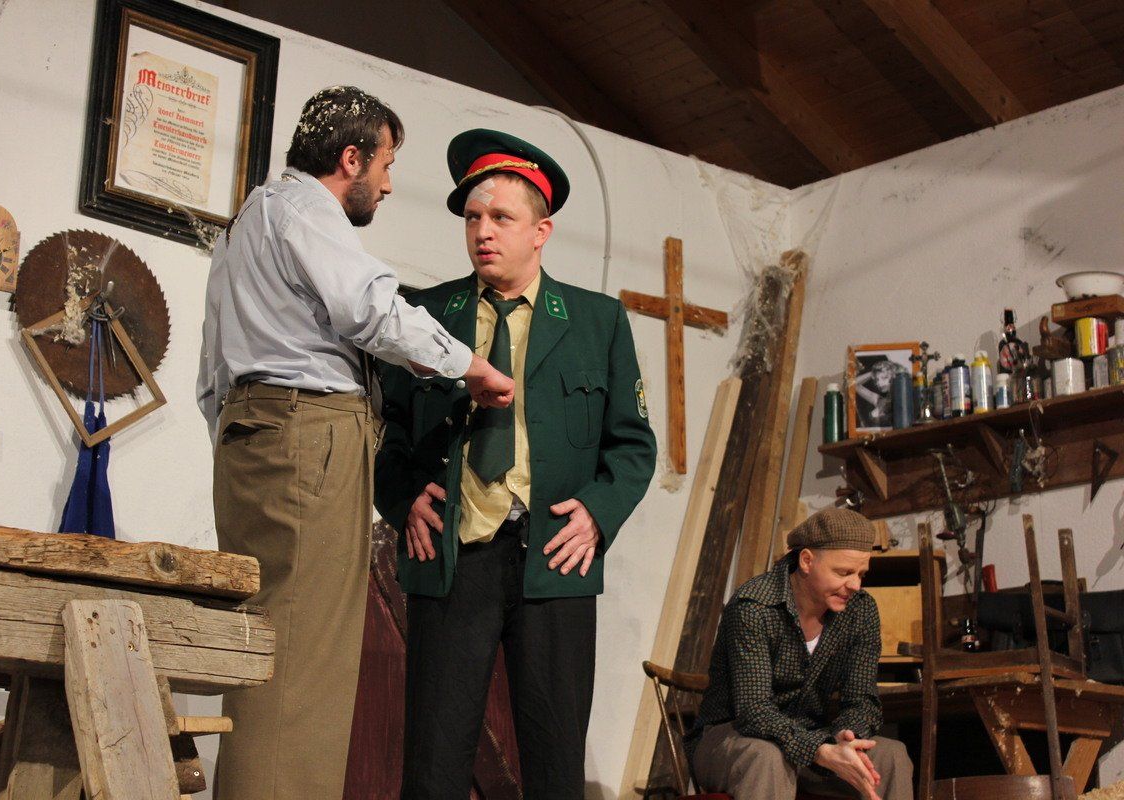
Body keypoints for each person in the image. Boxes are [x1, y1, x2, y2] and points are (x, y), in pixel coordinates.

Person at [196, 88, 513, 800]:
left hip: (251, 435)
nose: (390, 184)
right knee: (303, 655)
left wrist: (234, 432)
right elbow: (369, 308)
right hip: (309, 435)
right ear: (350, 159)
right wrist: (467, 364)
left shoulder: (248, 219)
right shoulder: (306, 209)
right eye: (386, 164)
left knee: (263, 641)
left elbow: (212, 363)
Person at [374, 128, 657, 799]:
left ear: (541, 231)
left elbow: (633, 443)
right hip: (454, 558)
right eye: (473, 217)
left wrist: (598, 513)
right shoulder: (424, 314)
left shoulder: (597, 321)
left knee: (556, 764)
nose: (483, 232)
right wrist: (403, 499)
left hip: (554, 559)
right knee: (434, 763)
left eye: (501, 218)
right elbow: (384, 432)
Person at [686, 508, 912, 800]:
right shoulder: (754, 606)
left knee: (892, 756)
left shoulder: (861, 610)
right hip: (732, 738)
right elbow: (754, 712)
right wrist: (819, 749)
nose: (855, 585)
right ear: (806, 560)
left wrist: (846, 738)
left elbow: (862, 700)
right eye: (843, 572)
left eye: (861, 574)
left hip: (812, 734)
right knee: (768, 757)